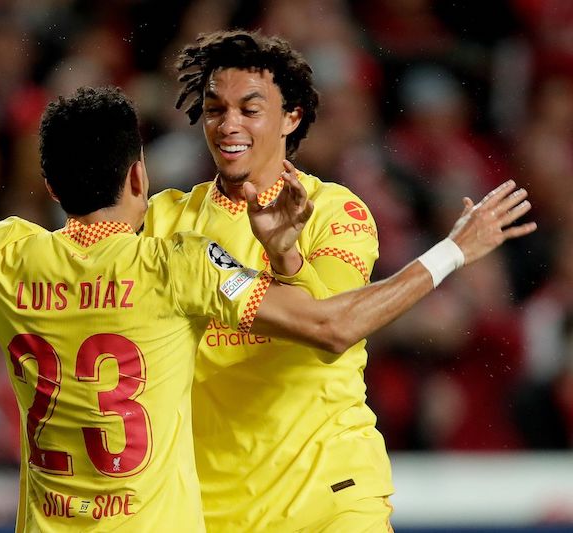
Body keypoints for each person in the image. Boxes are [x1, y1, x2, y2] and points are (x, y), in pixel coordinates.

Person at [0, 88, 533, 532]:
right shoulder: (177, 265)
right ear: (139, 177)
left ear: (51, 185)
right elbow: (332, 325)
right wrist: (453, 250)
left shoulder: (1, 256)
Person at [142, 29, 533, 531]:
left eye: (250, 108)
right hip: (210, 507)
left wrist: (287, 257)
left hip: (330, 497)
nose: (228, 124)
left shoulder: (335, 211)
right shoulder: (162, 223)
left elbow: (334, 329)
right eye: (216, 109)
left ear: (291, 117)